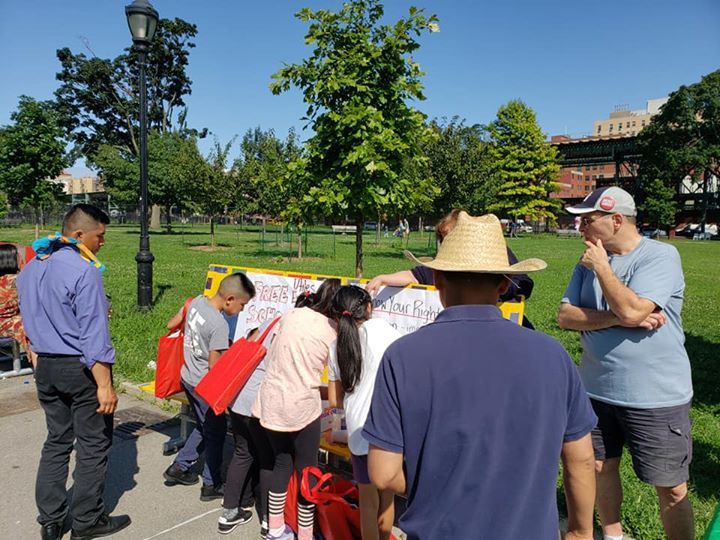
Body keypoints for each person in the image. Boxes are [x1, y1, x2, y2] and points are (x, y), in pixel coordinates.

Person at [363, 211, 598, 540]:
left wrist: (436, 479)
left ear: (437, 279)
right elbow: (581, 459)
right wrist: (580, 531)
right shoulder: (554, 355)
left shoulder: (402, 357)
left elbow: (384, 475)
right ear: (504, 284)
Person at [558, 186, 694, 540]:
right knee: (600, 468)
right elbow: (565, 316)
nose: (580, 229)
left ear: (616, 220)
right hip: (595, 390)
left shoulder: (660, 257)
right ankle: (613, 535)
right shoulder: (586, 260)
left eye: (588, 221)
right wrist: (619, 318)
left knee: (672, 488)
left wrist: (604, 270)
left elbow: (634, 309)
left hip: (655, 396)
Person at [17, 204, 130, 540]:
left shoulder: (31, 269)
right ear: (79, 235)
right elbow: (95, 336)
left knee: (57, 441)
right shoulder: (85, 271)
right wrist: (105, 385)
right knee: (93, 444)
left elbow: (29, 320)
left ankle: (50, 520)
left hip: (45, 365)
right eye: (100, 236)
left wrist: (36, 356)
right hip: (79, 368)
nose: (102, 243)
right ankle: (86, 520)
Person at [218, 291, 314, 537]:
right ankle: (270, 522)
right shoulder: (295, 333)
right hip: (259, 403)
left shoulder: (273, 321)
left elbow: (251, 342)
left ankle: (228, 513)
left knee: (242, 453)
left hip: (238, 397)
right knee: (269, 462)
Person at [252, 279, 341, 540]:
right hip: (302, 407)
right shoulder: (332, 331)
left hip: (271, 400)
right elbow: (337, 383)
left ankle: (276, 528)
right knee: (308, 470)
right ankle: (305, 533)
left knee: (281, 463)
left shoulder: (293, 313)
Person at [163, 273, 256, 502]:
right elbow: (216, 367)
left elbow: (171, 324)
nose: (242, 311)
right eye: (242, 305)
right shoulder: (219, 325)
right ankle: (211, 483)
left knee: (204, 426)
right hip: (205, 386)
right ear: (230, 299)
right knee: (215, 434)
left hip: (188, 378)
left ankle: (180, 466)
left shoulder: (196, 302)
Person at [366, 209, 536, 329]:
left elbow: (523, 284)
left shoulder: (495, 254)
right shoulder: (443, 267)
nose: (445, 244)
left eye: (449, 238)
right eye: (443, 239)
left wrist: (486, 289)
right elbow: (415, 275)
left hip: (504, 323)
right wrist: (384, 278)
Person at [328, 285, 401, 540]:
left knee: (367, 502)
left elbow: (335, 399)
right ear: (368, 307)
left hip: (358, 430)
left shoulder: (336, 345)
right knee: (387, 497)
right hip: (390, 425)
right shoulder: (385, 331)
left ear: (338, 316)